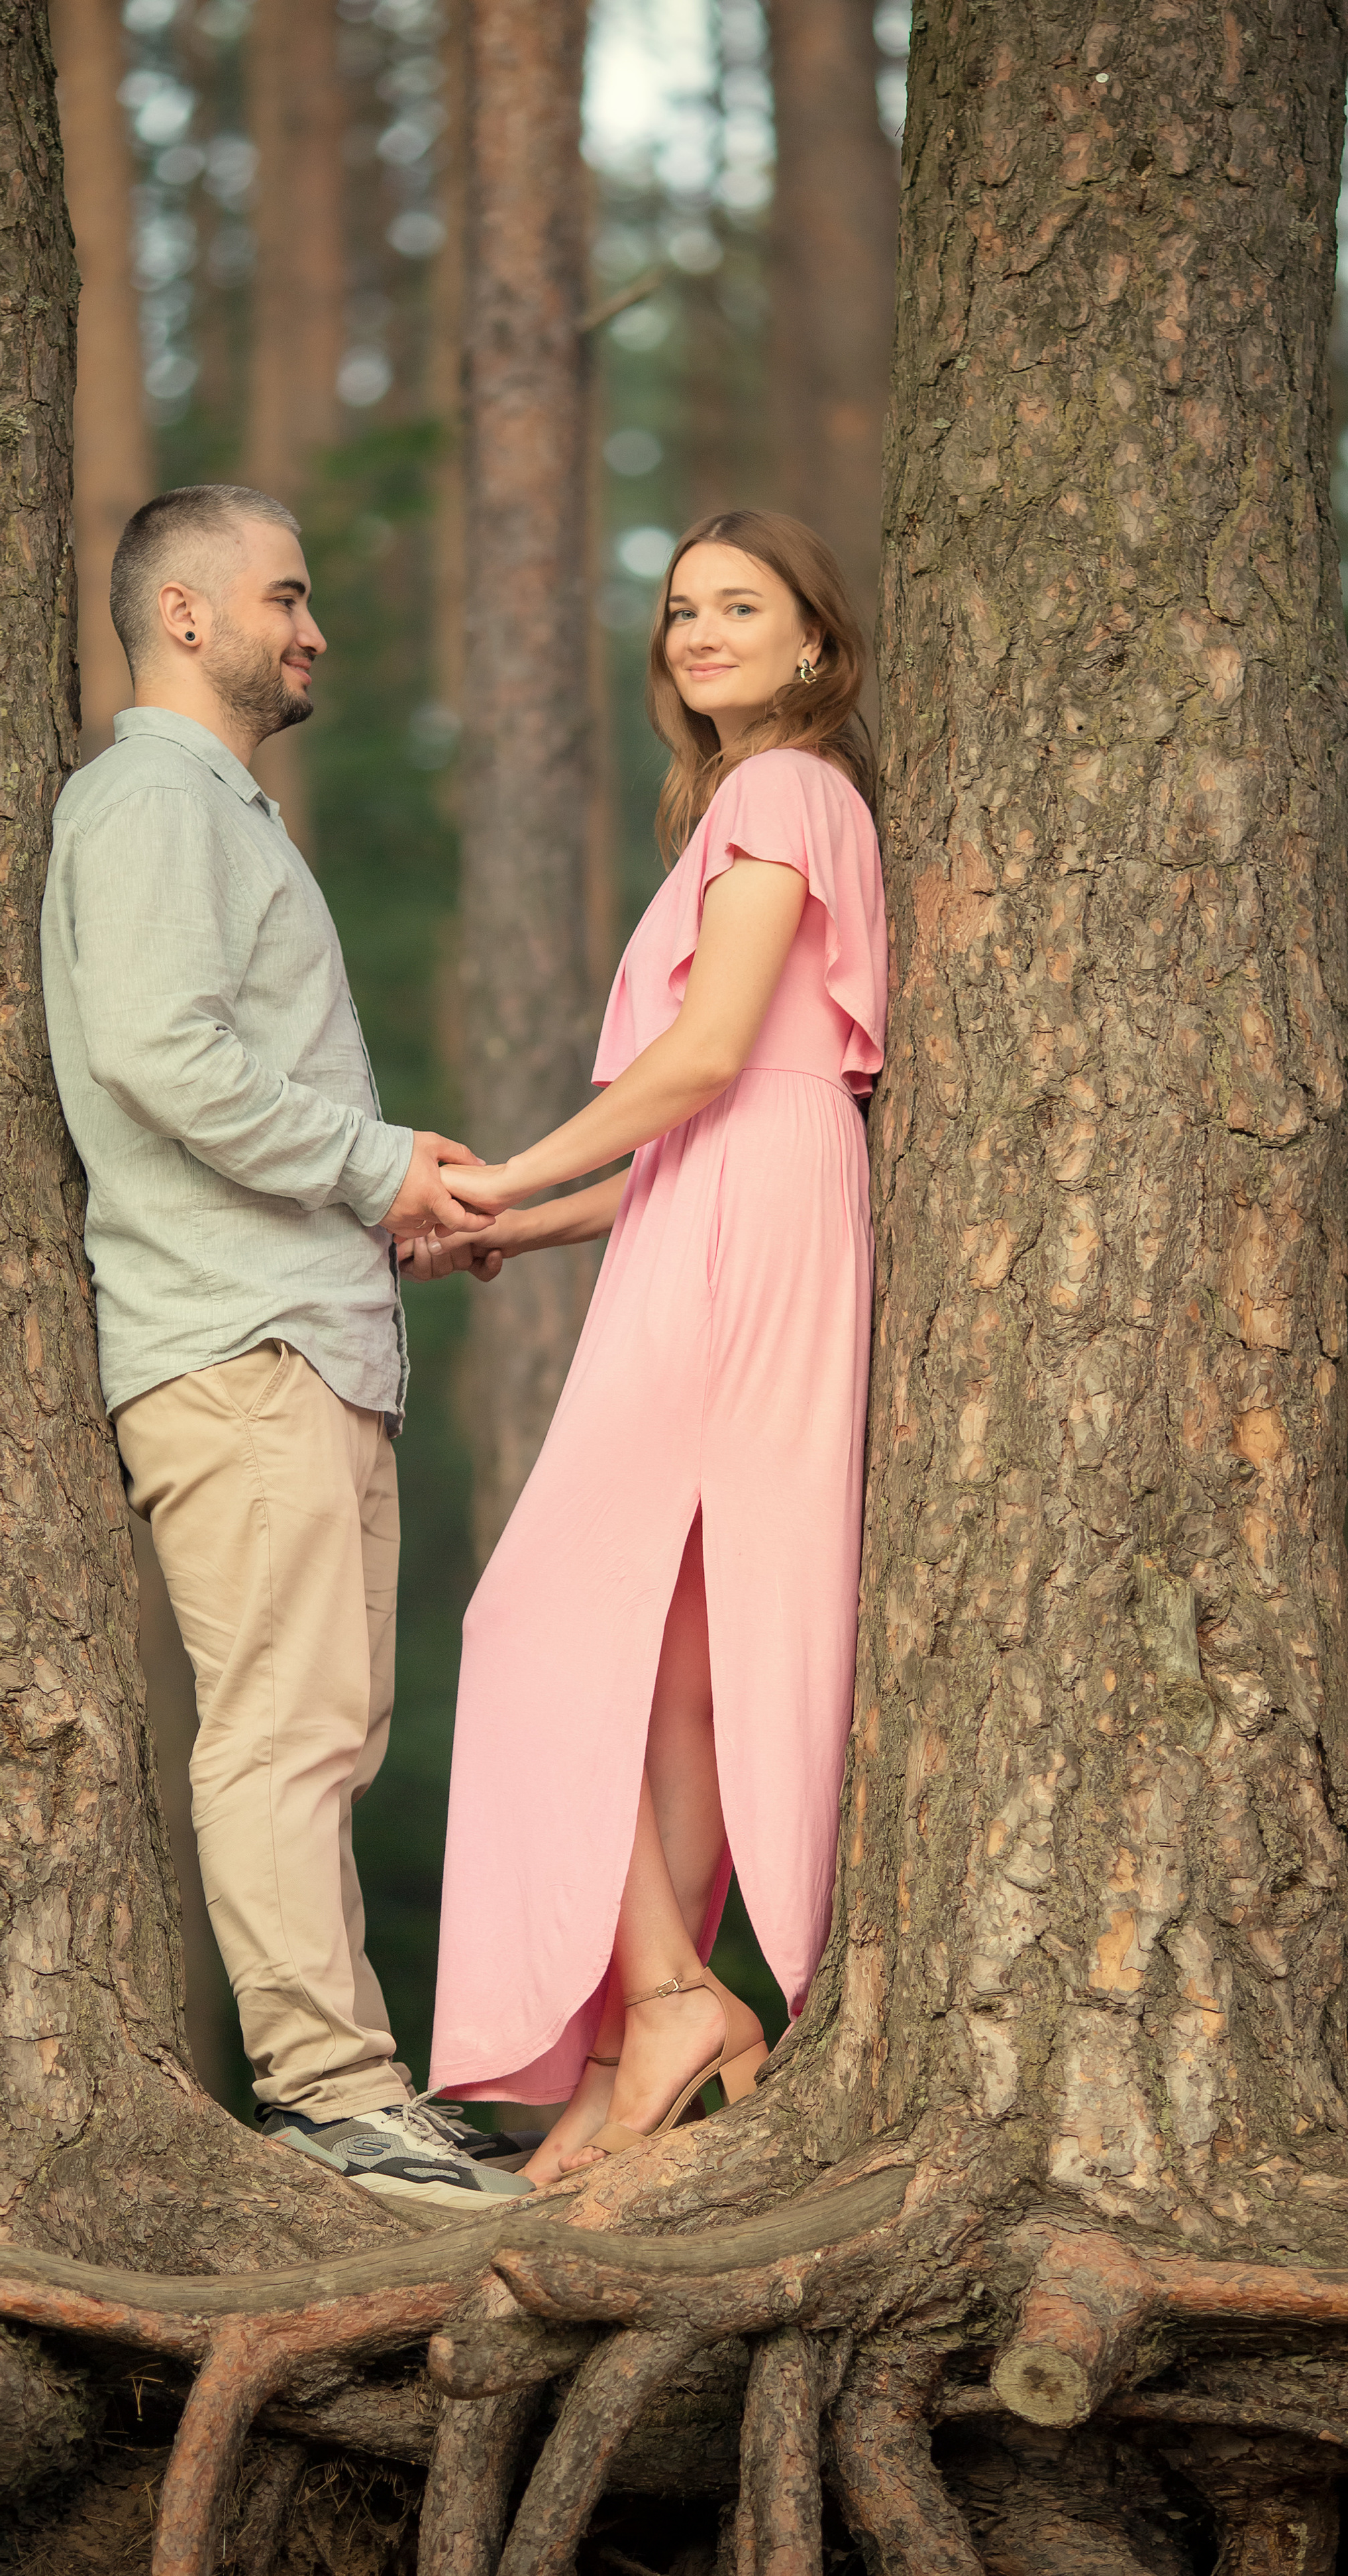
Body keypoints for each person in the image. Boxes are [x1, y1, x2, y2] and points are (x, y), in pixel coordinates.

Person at [40, 484, 528, 2210]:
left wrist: (380, 1198)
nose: (312, 628)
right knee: (281, 1735)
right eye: (284, 594)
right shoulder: (155, 801)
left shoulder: (209, 809)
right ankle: (334, 2101)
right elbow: (165, 1059)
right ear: (185, 616)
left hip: (291, 1333)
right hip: (239, 1345)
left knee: (322, 1726)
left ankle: (352, 2092)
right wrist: (374, 1163)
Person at [417, 509, 886, 2184]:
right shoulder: (760, 804)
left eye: (737, 608)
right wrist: (512, 1225)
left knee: (530, 1610)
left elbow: (696, 1072)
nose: (695, 634)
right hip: (746, 1209)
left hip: (740, 1220)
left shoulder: (779, 791)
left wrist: (492, 1170)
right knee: (679, 1664)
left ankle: (676, 1992)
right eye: (680, 609)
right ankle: (633, 2055)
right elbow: (708, 1120)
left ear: (813, 644)